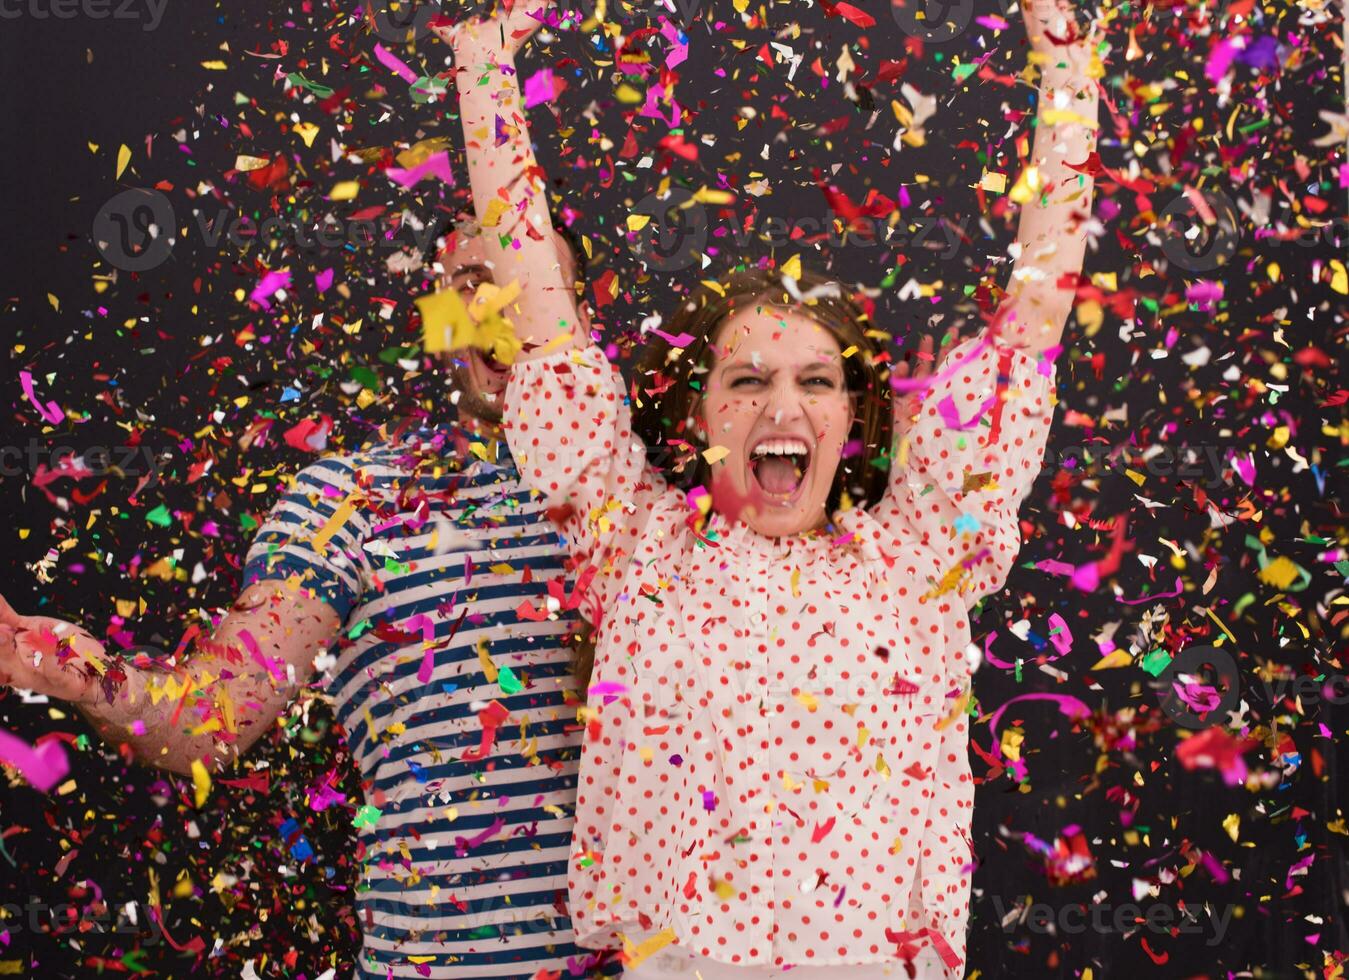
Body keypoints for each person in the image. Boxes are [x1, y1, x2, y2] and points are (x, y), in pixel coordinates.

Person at [445, 0, 1099, 975]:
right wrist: (482, 65)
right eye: (745, 380)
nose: (778, 405)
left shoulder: (917, 555)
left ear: (851, 416)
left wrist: (1067, 71)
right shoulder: (639, 550)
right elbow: (544, 323)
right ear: (701, 417)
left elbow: (1032, 314)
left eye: (813, 380)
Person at [0, 221, 622, 980]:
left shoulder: (654, 500)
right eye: (471, 289)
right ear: (440, 323)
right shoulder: (352, 500)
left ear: (584, 314)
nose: (503, 308)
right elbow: (215, 716)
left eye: (535, 285)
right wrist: (80, 675)